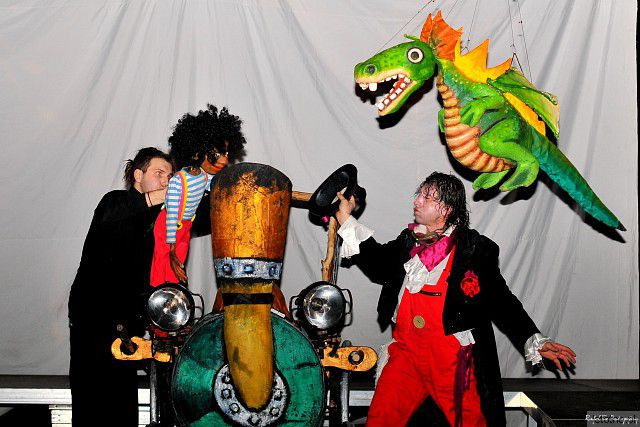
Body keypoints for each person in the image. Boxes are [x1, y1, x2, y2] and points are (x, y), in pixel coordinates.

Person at [335, 172, 576, 427]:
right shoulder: (409, 240)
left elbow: (502, 300)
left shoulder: (474, 249)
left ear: (446, 209)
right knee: (381, 418)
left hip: (450, 357)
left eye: (427, 197)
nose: (417, 201)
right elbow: (379, 265)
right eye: (419, 194)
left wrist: (533, 338)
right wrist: (346, 219)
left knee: (469, 421)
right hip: (407, 352)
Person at [68, 147, 173, 426]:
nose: (166, 181)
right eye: (159, 173)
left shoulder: (161, 218)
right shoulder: (115, 201)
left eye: (170, 176)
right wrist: (162, 196)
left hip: (128, 326)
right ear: (138, 175)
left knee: (123, 406)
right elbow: (115, 215)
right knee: (92, 403)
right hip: (93, 321)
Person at [150, 104, 246, 286]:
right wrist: (171, 247)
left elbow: (218, 187)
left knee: (178, 266)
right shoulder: (178, 181)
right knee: (162, 263)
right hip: (168, 226)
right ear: (196, 153)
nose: (225, 159)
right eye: (217, 153)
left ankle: (173, 291)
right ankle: (158, 293)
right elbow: (171, 215)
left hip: (186, 226)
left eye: (226, 153)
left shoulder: (205, 176)